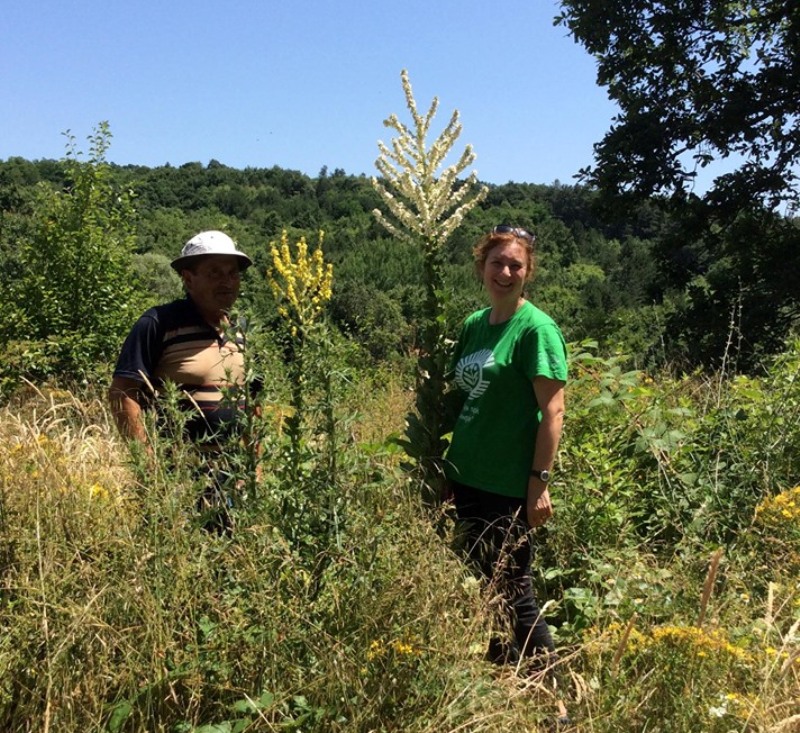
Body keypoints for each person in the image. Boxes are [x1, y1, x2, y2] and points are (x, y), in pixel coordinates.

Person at [444, 225, 568, 705]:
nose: (506, 271)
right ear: (482, 267)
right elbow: (461, 399)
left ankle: (553, 694)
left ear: (528, 271)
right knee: (483, 583)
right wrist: (446, 473)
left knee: (514, 590)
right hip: (466, 477)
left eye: (516, 264)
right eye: (497, 263)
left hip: (508, 482)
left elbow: (553, 412)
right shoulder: (475, 324)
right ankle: (502, 675)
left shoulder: (536, 329)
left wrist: (538, 483)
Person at [108, 230, 259, 531]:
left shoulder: (242, 330)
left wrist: (254, 468)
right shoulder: (158, 323)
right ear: (188, 279)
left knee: (229, 562)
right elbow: (123, 393)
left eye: (232, 273)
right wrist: (149, 466)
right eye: (214, 273)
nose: (227, 281)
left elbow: (253, 401)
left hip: (232, 477)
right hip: (178, 477)